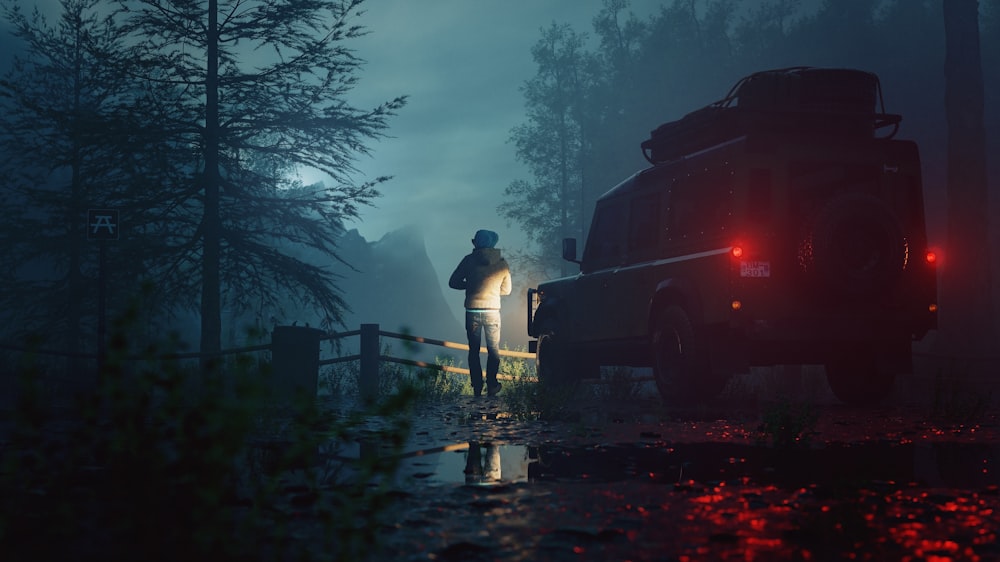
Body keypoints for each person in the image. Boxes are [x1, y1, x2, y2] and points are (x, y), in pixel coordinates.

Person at [448, 229, 511, 397]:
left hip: (472, 310)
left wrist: (469, 286)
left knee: (473, 350)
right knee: (493, 350)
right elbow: (507, 290)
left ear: (476, 243)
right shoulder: (502, 263)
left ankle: (477, 387)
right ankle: (492, 385)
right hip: (492, 311)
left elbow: (453, 282)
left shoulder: (468, 261)